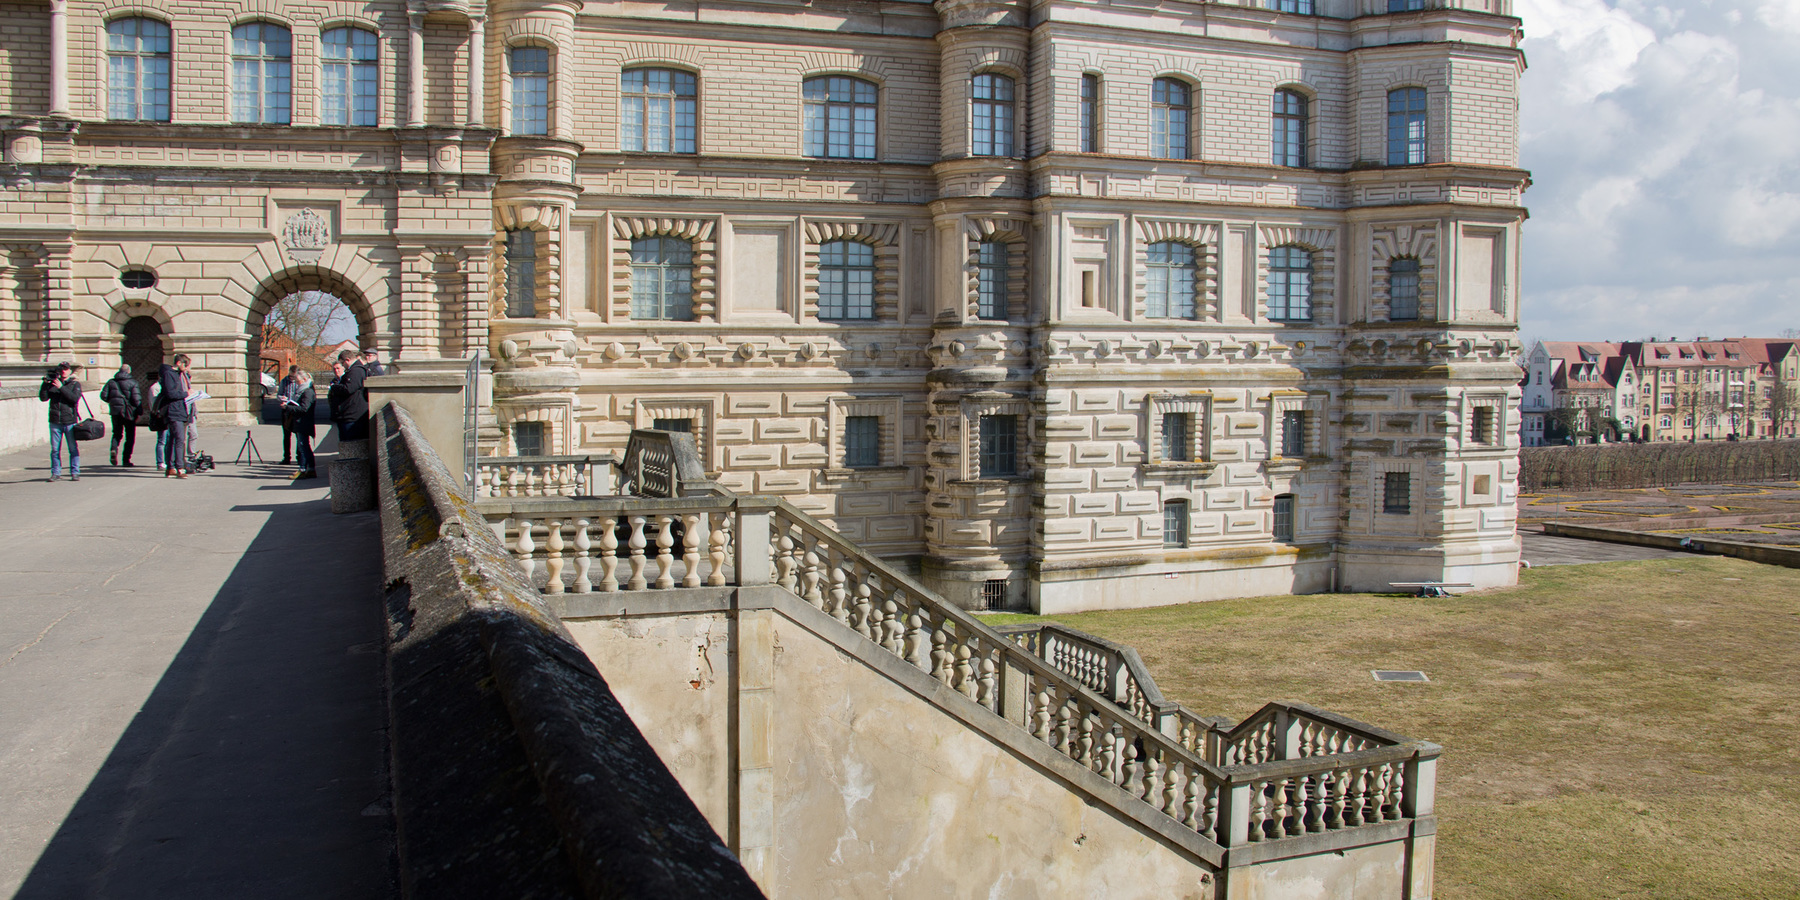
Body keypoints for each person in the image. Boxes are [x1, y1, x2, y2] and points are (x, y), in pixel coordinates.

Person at [39, 362, 82, 481]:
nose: (64, 371)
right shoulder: (52, 384)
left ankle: (75, 472)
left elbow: (74, 399)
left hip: (69, 421)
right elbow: (43, 398)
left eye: (66, 369)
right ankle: (55, 472)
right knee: (55, 449)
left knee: (72, 448)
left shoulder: (74, 384)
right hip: (55, 420)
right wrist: (45, 384)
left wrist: (61, 388)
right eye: (62, 369)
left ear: (70, 371)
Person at [158, 354, 195, 478]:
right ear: (179, 363)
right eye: (185, 365)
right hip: (173, 410)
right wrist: (186, 393)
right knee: (179, 439)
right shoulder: (169, 374)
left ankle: (171, 467)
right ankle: (179, 467)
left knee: (174, 439)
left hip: (182, 410)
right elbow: (170, 393)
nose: (186, 368)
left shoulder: (182, 375)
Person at [100, 363, 144, 467]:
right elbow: (136, 399)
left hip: (115, 412)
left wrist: (113, 402)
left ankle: (114, 449)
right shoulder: (132, 382)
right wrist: (140, 412)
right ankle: (126, 460)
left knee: (116, 433)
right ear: (129, 371)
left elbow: (103, 395)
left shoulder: (111, 382)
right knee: (130, 436)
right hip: (129, 413)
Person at [328, 349, 369, 441]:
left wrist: (334, 387)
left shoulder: (356, 371)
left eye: (342, 363)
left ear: (347, 360)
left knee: (351, 445)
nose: (343, 366)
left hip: (352, 416)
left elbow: (348, 389)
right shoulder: (354, 370)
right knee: (347, 445)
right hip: (348, 415)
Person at [290, 369, 318, 478]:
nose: (297, 384)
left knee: (303, 447)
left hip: (303, 422)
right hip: (301, 422)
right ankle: (309, 469)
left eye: (298, 381)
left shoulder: (307, 391)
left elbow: (304, 408)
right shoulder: (305, 390)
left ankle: (304, 469)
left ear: (305, 379)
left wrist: (288, 407)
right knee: (303, 446)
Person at [277, 364, 299, 464]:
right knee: (286, 435)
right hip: (286, 409)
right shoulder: (284, 381)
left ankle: (299, 456)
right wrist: (282, 398)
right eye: (290, 376)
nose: (291, 378)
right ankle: (286, 457)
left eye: (293, 377)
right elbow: (279, 394)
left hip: (296, 409)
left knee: (299, 435)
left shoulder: (300, 382)